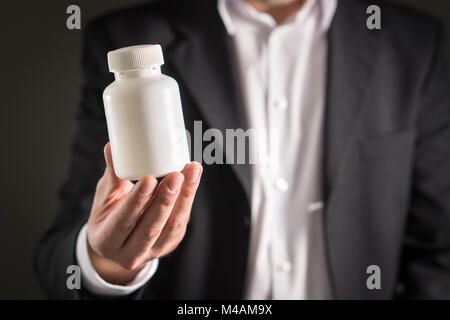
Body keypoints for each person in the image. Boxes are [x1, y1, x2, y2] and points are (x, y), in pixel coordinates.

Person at [35, 0, 450, 299]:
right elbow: (61, 259)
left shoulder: (411, 43)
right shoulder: (129, 38)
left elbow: (439, 249)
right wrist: (108, 263)